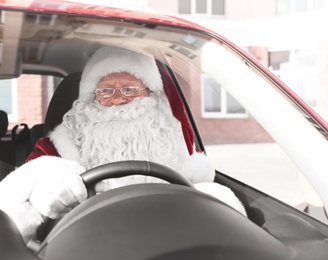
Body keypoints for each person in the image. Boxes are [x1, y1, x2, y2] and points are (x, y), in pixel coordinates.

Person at [0, 46, 246, 243]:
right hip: (89, 239)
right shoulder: (61, 143)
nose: (118, 100)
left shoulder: (173, 135)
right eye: (106, 91)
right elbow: (22, 193)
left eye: (129, 89)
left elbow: (200, 188)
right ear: (90, 98)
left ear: (151, 94)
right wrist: (50, 191)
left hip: (170, 234)